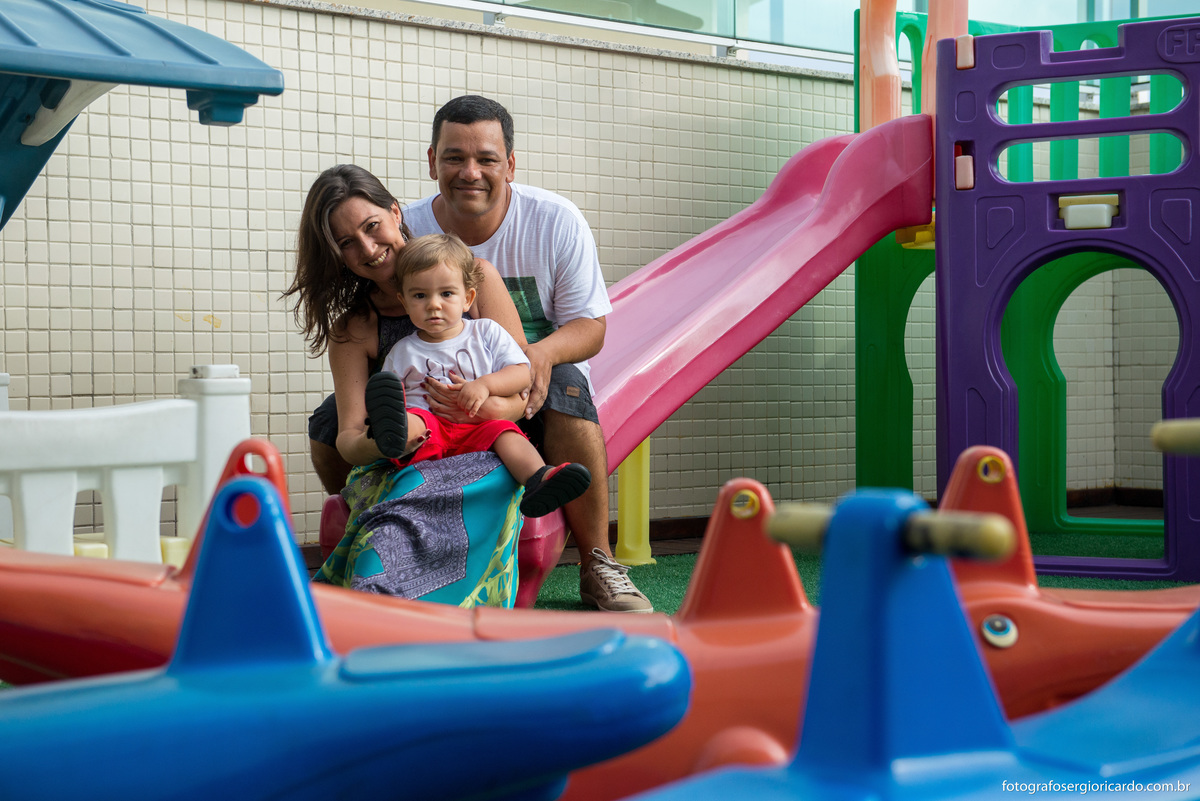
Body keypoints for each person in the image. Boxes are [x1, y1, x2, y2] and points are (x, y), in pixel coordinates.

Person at [403, 94, 653, 614]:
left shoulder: (554, 220)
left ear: (510, 165)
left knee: (565, 382)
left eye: (487, 159)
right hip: (442, 396)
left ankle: (597, 563)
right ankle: (366, 535)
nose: (470, 172)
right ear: (432, 160)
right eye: (454, 157)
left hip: (535, 390)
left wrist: (538, 355)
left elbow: (591, 327)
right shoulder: (409, 231)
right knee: (334, 419)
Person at [286, 164, 531, 607]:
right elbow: (348, 437)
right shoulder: (356, 328)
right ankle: (381, 601)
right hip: (404, 454)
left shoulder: (473, 276)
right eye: (346, 243)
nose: (367, 247)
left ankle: (456, 613)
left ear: (395, 213)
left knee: (493, 475)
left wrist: (484, 410)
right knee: (400, 493)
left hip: (480, 438)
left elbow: (522, 390)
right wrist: (386, 442)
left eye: (372, 226)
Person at [367, 232, 591, 518]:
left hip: (478, 426)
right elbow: (392, 395)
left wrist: (485, 385)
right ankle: (393, 437)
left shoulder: (485, 332)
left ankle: (539, 478)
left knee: (506, 433)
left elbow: (521, 374)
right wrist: (388, 415)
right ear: (404, 301)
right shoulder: (403, 351)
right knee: (413, 422)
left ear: (467, 297)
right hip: (429, 428)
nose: (433, 304)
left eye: (446, 294)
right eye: (420, 295)